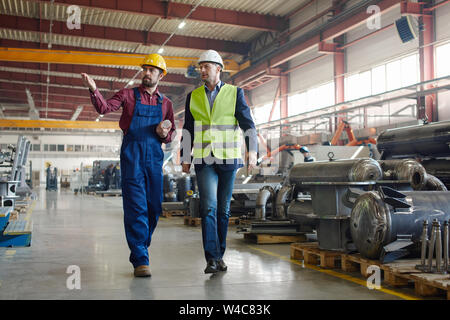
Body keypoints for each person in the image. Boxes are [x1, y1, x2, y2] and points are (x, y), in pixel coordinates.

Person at [81, 53, 176, 277]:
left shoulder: (166, 103)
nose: (146, 73)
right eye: (145, 69)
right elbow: (104, 108)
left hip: (154, 157)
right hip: (132, 155)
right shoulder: (128, 95)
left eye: (152, 70)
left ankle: (141, 244)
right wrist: (94, 90)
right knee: (136, 207)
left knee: (154, 206)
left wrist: (165, 133)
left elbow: (171, 132)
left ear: (160, 75)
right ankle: (140, 259)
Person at [180, 50, 257, 274]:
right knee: (209, 207)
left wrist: (252, 151)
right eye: (200, 67)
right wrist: (185, 156)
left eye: (206, 66)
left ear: (218, 69)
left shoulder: (235, 93)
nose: (202, 70)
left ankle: (220, 255)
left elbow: (248, 125)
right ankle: (211, 258)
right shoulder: (193, 97)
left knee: (223, 210)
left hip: (228, 158)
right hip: (204, 159)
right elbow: (188, 129)